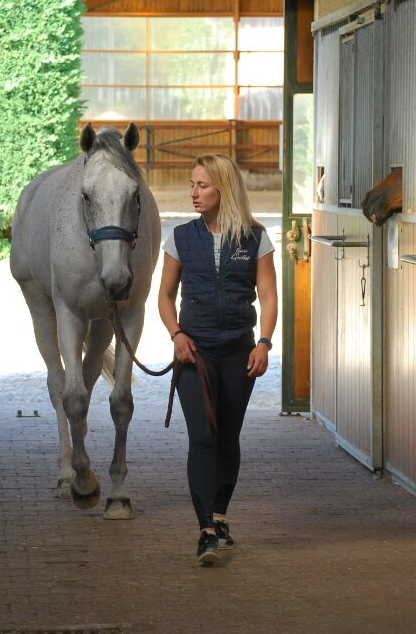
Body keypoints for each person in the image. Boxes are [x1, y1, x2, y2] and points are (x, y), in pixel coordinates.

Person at [157, 154, 278, 566]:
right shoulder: (179, 238)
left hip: (239, 352)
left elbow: (269, 296)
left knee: (227, 436)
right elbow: (164, 296)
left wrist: (263, 342)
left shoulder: (256, 238)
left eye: (202, 186)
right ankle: (205, 530)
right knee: (202, 438)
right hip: (196, 352)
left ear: (223, 189)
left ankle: (221, 516)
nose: (193, 193)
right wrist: (176, 335)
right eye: (192, 185)